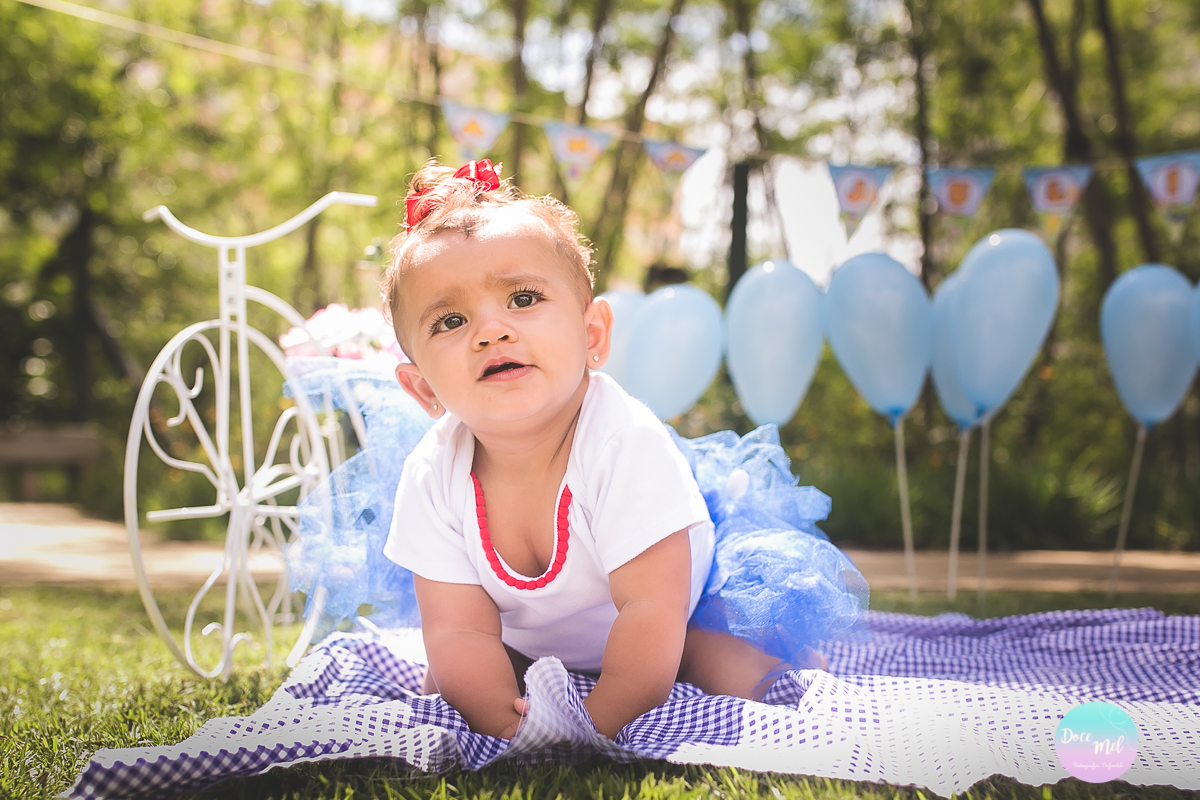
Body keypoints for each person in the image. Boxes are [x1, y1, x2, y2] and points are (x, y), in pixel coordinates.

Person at [362, 157, 868, 742]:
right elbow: (459, 632)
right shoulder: (432, 473)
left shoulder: (623, 443)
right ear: (423, 386)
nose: (491, 330)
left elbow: (649, 612)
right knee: (454, 680)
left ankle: (781, 674)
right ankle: (522, 689)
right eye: (450, 320)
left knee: (717, 666)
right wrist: (502, 726)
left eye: (523, 299)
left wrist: (588, 730)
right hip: (535, 639)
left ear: (592, 335)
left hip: (677, 611)